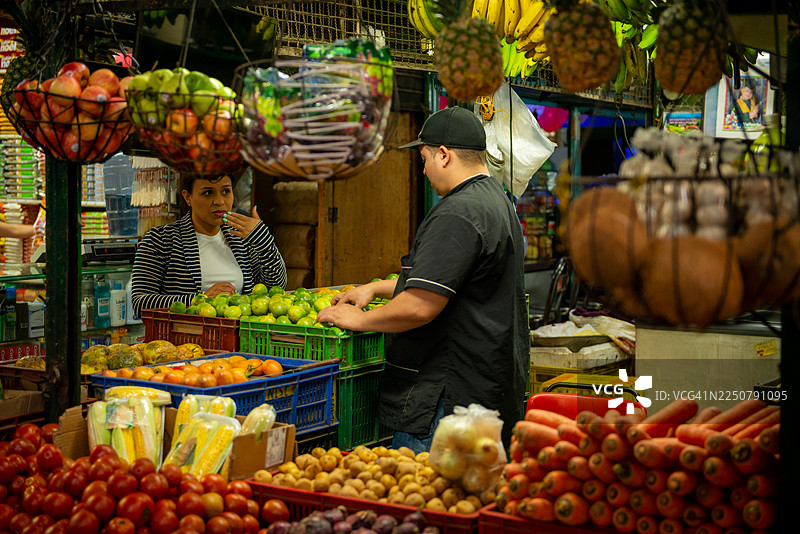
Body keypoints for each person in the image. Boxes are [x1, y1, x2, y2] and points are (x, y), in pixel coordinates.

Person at [317, 107, 528, 452]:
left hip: (446, 401)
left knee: (425, 499)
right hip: (485, 392)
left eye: (425, 157)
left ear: (444, 155)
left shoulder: (458, 212)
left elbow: (419, 307)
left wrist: (360, 320)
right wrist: (374, 287)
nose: (425, 168)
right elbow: (450, 280)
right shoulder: (496, 201)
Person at [132, 174, 286, 315]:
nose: (219, 201)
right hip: (184, 342)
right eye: (208, 193)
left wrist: (264, 241)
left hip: (240, 338)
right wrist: (200, 299)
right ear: (188, 197)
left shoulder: (241, 239)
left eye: (226, 191)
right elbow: (140, 303)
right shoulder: (160, 240)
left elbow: (274, 289)